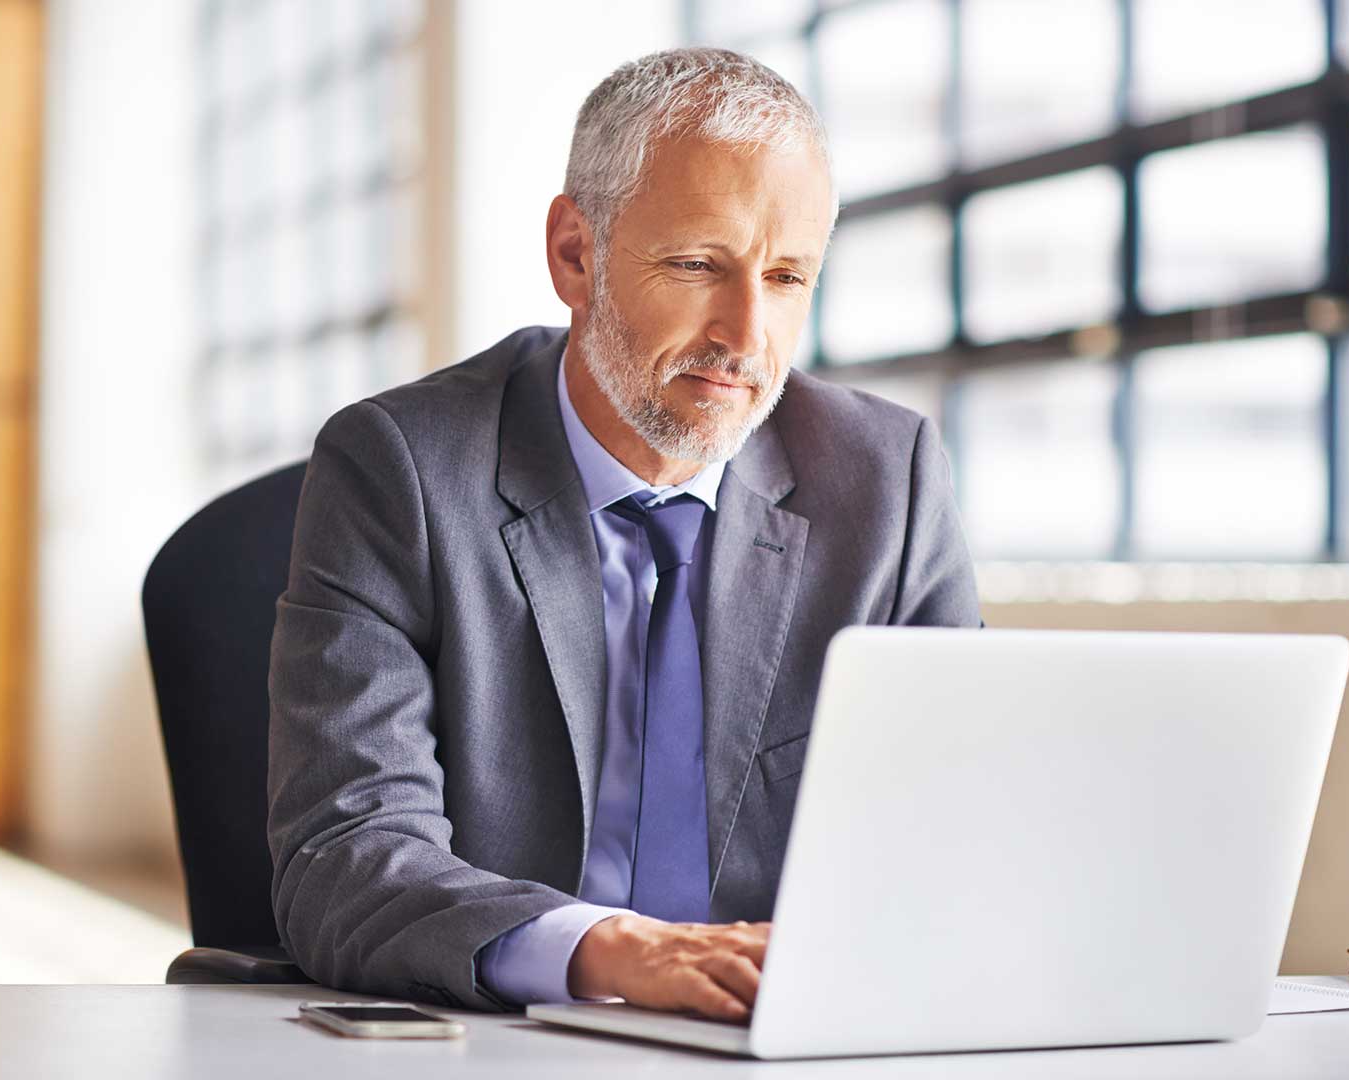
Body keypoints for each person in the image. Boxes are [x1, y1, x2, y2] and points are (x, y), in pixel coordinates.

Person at [265, 47, 980, 1021]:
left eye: (786, 278)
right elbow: (344, 856)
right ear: (575, 253)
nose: (745, 333)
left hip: (784, 1038)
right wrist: (606, 952)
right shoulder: (400, 470)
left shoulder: (887, 482)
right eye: (698, 265)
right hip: (505, 1037)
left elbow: (960, 835)